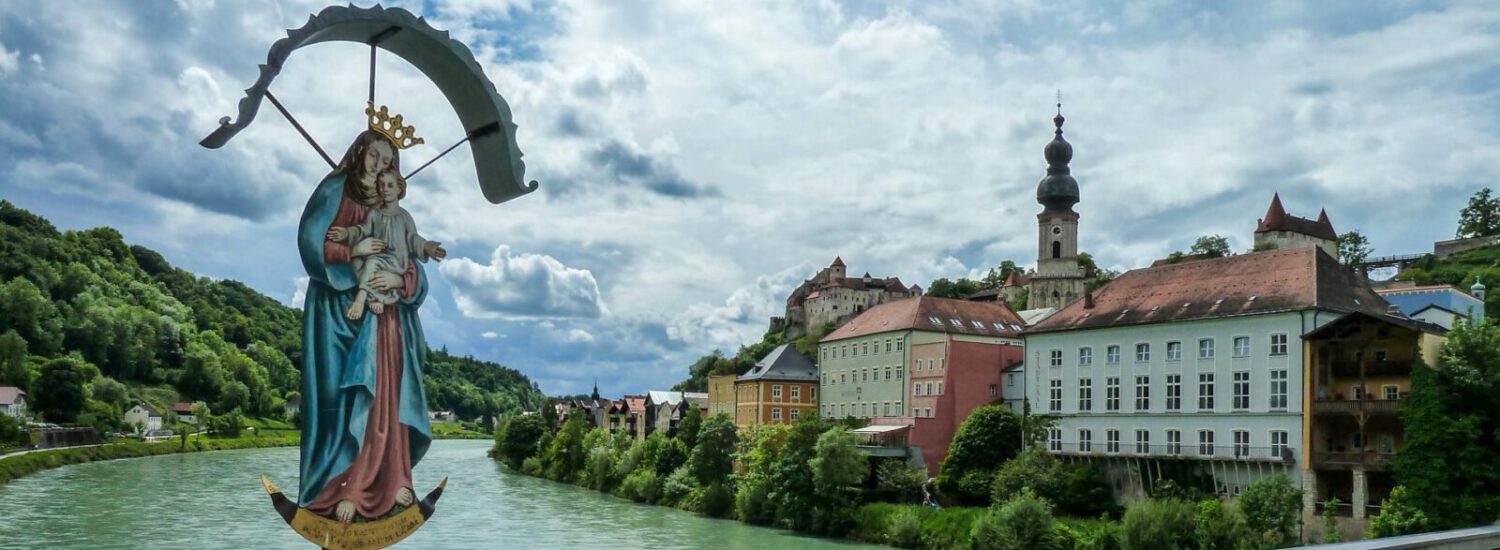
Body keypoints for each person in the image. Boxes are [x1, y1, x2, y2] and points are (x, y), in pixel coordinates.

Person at [295, 129, 435, 523]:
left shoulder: (393, 212)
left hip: (382, 316)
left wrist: (401, 281)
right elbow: (311, 244)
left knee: (383, 402)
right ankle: (333, 489)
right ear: (359, 153)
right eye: (374, 156)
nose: (379, 166)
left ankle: (388, 483)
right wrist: (353, 250)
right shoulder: (335, 189)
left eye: (388, 161)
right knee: (339, 406)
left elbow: (413, 267)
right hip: (335, 314)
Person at [327, 168, 446, 321]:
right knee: (357, 262)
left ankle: (360, 300)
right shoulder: (375, 213)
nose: (385, 189)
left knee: (372, 263)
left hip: (394, 261)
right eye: (381, 185)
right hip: (375, 257)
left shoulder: (404, 217)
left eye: (390, 185)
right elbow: (363, 230)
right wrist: (346, 233)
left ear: (399, 188)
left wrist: (426, 247)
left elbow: (412, 238)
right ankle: (378, 298)